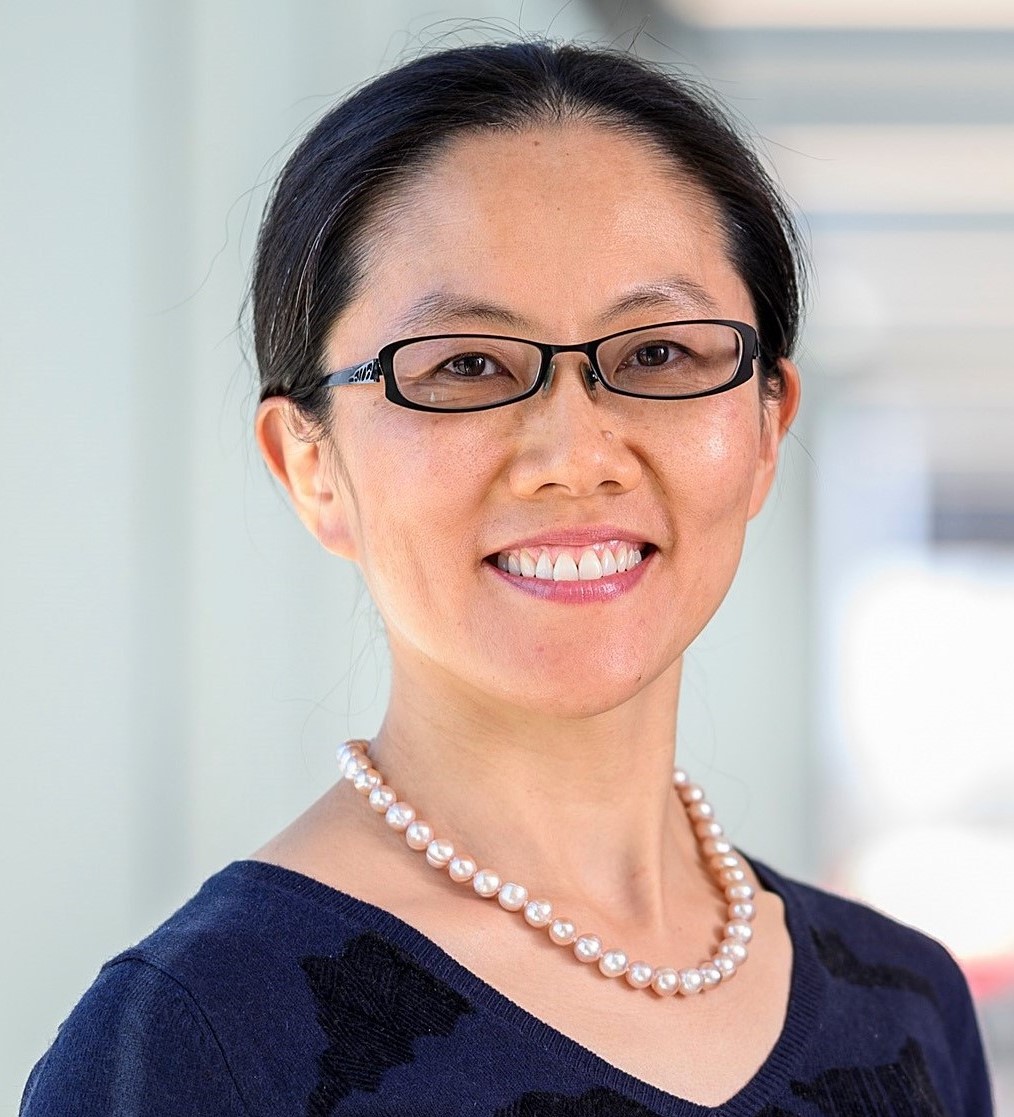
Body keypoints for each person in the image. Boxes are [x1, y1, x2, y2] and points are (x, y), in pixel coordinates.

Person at [20, 40, 992, 1116]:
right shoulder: (200, 1038)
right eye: (465, 366)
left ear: (768, 427)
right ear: (311, 465)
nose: (575, 453)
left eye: (659, 354)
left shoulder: (904, 1003)